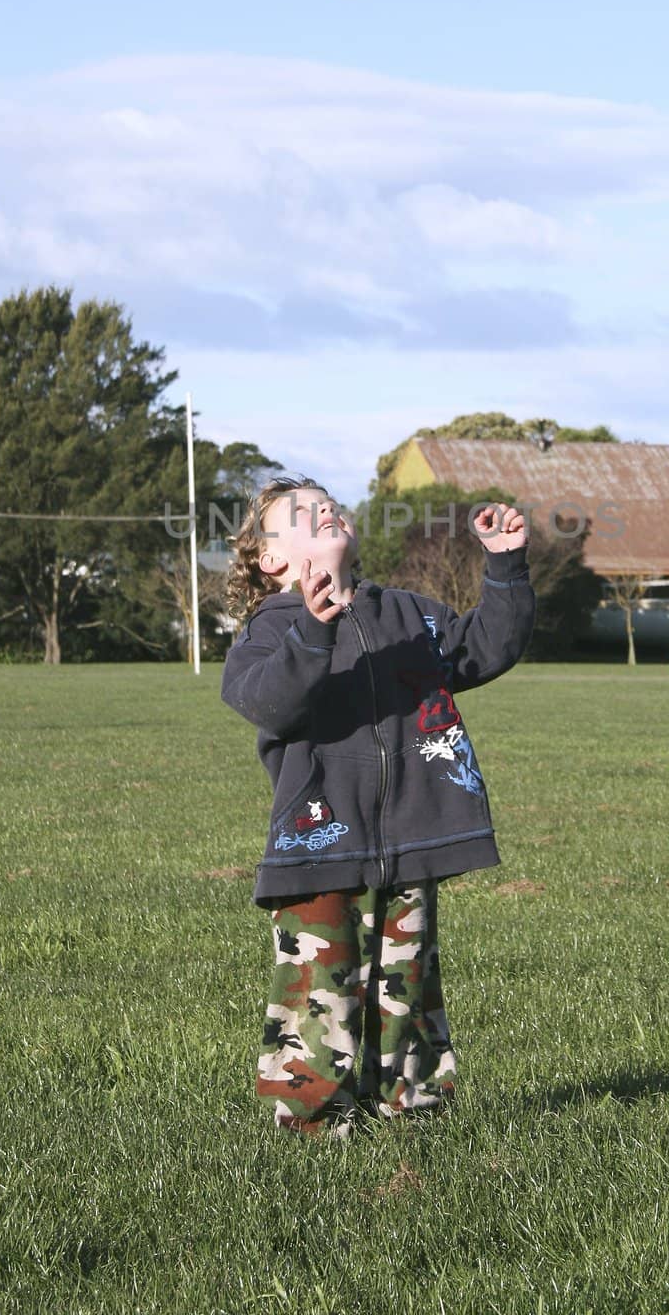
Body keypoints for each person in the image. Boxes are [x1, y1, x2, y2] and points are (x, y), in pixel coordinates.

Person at [221, 474, 534, 1136]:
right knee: (318, 987)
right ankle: (312, 1122)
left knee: (406, 983)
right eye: (302, 514)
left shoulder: (406, 614)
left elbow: (486, 648)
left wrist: (504, 567)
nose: (326, 511)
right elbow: (270, 702)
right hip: (318, 845)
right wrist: (314, 624)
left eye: (329, 505)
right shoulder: (267, 631)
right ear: (271, 558)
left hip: (413, 834)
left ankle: (409, 1111)